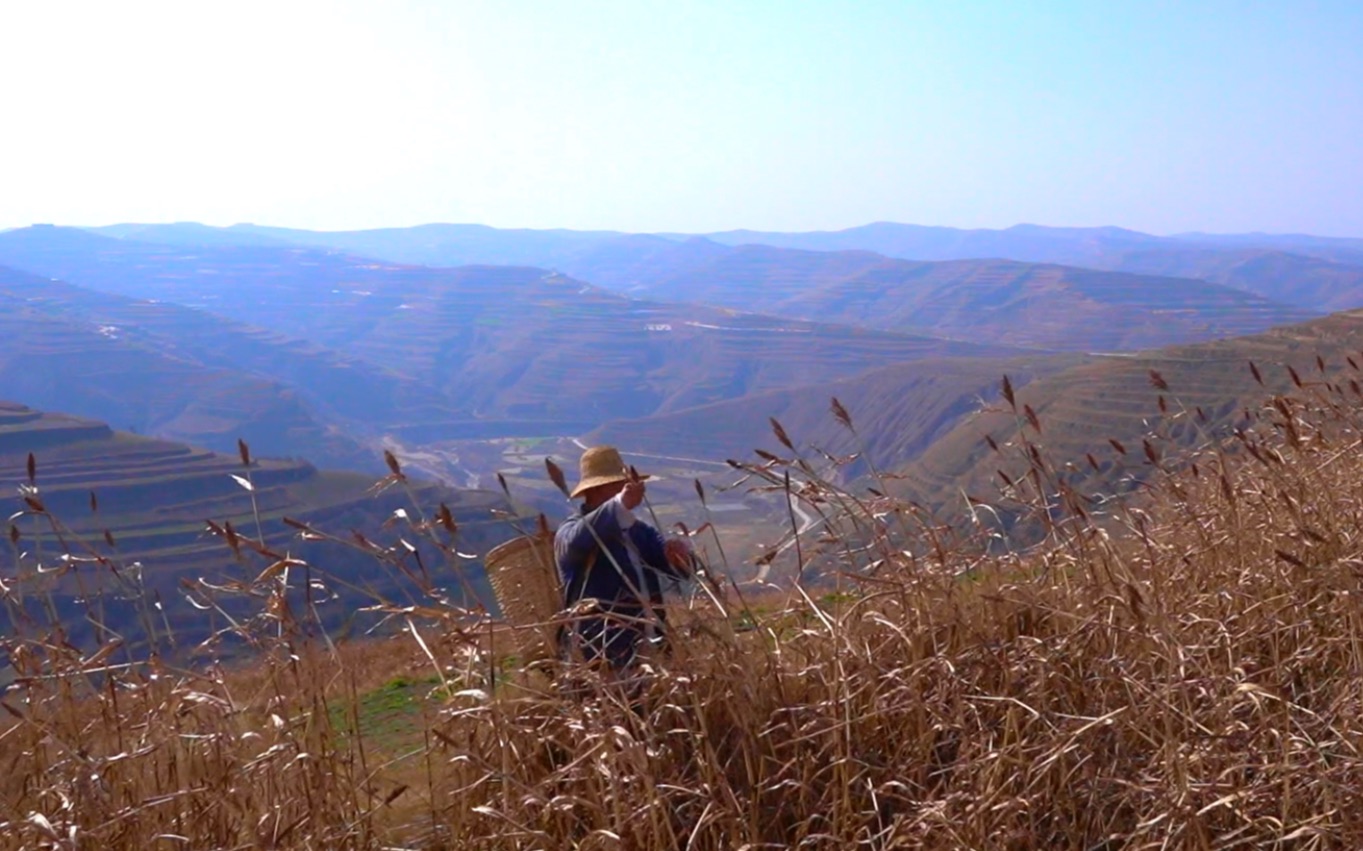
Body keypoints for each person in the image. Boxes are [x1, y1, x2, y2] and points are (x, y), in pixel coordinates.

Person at [555, 446, 695, 671]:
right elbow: (577, 541)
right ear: (596, 491)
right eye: (617, 486)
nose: (624, 490)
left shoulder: (640, 532)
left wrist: (679, 558)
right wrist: (619, 505)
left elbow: (677, 568)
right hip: (598, 652)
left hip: (650, 648)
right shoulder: (569, 532)